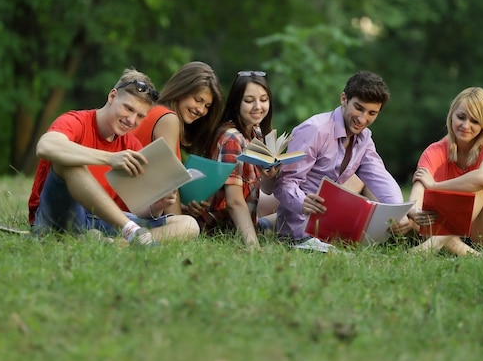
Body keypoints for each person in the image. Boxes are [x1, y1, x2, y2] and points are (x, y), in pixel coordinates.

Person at [28, 68, 200, 245]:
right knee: (68, 163)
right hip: (60, 216)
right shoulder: (76, 121)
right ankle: (132, 234)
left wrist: (157, 206)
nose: (132, 120)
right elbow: (45, 146)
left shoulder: (131, 145)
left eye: (140, 116)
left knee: (188, 224)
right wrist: (109, 158)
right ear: (112, 96)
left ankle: (116, 244)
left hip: (102, 221)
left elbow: (134, 209)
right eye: (128, 108)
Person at [273, 70, 410, 252]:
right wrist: (302, 201)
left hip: (332, 231)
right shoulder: (315, 130)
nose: (362, 119)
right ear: (344, 99)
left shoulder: (365, 138)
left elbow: (380, 177)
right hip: (298, 231)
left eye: (372, 113)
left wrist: (398, 211)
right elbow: (284, 184)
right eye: (359, 108)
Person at [405, 87, 483, 256]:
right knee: (421, 220)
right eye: (461, 117)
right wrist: (414, 210)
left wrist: (435, 185)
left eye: (475, 121)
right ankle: (476, 257)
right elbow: (420, 185)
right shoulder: (435, 150)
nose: (466, 125)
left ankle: (436, 243)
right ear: (451, 115)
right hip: (455, 234)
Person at [185, 71, 279, 248]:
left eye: (264, 99)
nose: (258, 106)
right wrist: (254, 247)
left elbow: (264, 190)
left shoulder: (256, 132)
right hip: (219, 228)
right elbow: (234, 201)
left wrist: (268, 176)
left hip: (248, 221)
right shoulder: (232, 139)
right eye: (249, 101)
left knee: (293, 211)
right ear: (237, 103)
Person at [131, 61, 224, 215]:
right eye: (198, 100)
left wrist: (183, 208)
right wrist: (179, 222)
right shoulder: (168, 119)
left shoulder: (155, 111)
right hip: (128, 208)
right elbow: (169, 181)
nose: (201, 110)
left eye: (207, 106)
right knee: (188, 227)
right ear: (181, 90)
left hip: (133, 203)